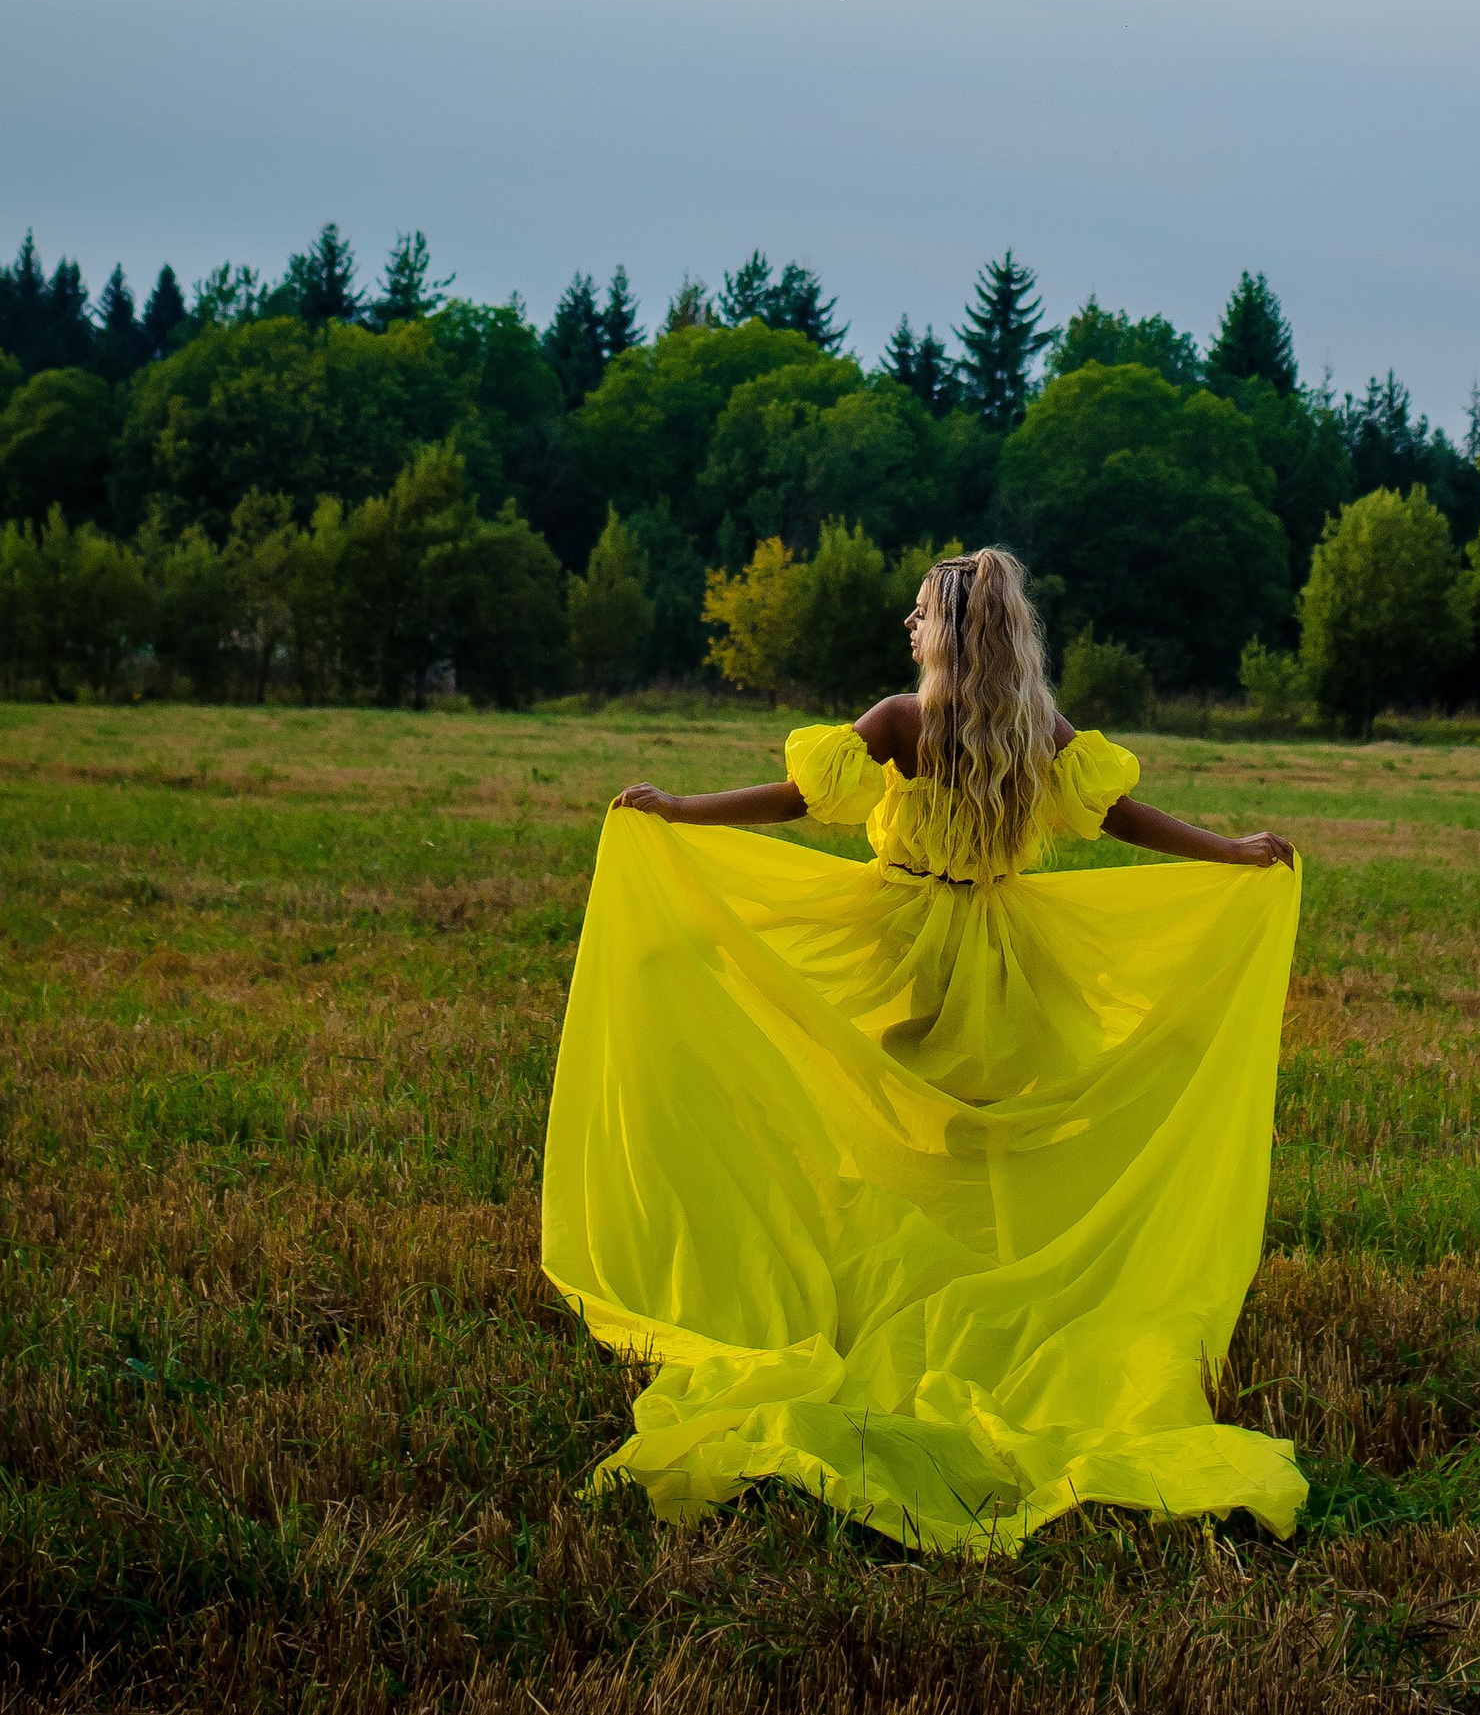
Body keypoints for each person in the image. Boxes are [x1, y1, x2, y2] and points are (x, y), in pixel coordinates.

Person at [541, 545, 1304, 1556]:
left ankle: (920, 1292)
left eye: (916, 613)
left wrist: (682, 811)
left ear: (947, 630)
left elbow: (797, 800)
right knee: (987, 1130)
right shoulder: (1037, 730)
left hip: (903, 937)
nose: (906, 626)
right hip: (1007, 957)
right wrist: (1228, 848)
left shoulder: (903, 718)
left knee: (880, 1109)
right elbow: (1122, 818)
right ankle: (979, 1282)